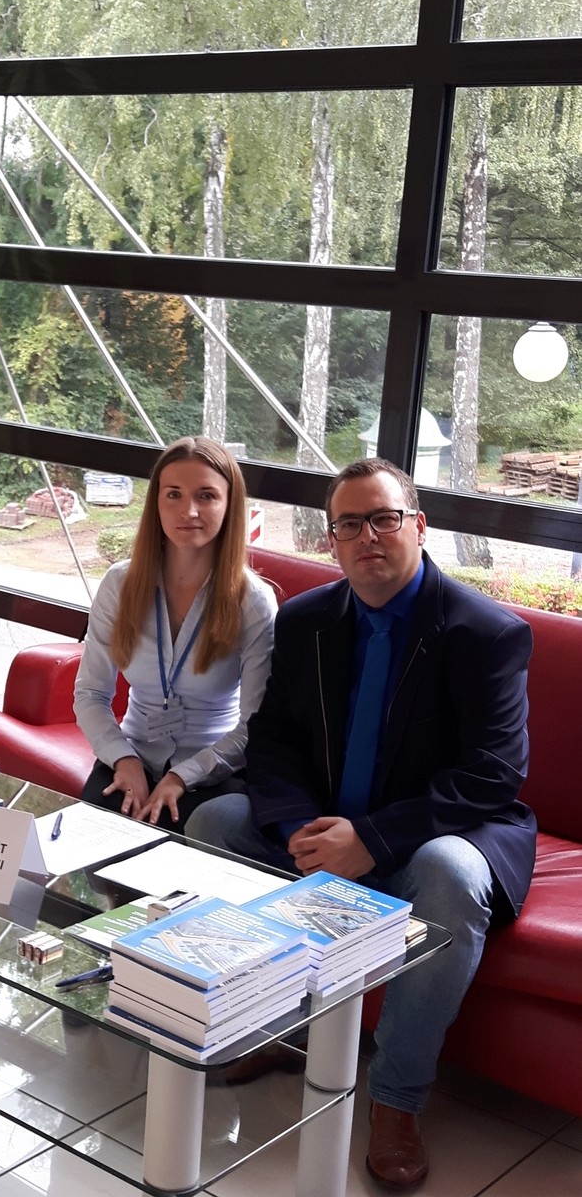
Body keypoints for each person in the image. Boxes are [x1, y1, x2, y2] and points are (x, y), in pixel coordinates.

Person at [185, 457, 536, 1190]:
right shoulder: (308, 620)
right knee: (216, 822)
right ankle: (271, 1028)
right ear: (333, 541)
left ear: (419, 526)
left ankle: (396, 1100)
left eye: (384, 518)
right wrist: (295, 828)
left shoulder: (484, 632)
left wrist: (370, 840)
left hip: (436, 834)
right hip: (323, 820)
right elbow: (274, 740)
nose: (368, 536)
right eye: (350, 524)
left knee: (449, 874)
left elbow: (492, 775)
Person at [73, 436, 277, 831]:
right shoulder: (119, 584)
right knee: (92, 854)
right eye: (174, 495)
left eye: (206, 496)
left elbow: (257, 724)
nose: (189, 511)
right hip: (130, 756)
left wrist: (182, 776)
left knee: (180, 850)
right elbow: (91, 694)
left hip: (213, 769)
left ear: (229, 504)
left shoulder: (253, 601)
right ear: (156, 503)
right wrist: (123, 759)